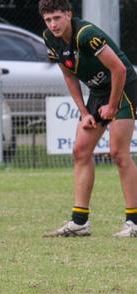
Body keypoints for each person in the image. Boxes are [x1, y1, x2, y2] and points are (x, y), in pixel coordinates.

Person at [40, 0, 137, 238]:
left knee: (118, 153)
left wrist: (113, 106)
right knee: (80, 151)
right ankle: (79, 222)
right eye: (48, 19)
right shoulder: (49, 38)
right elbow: (69, 74)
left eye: (57, 18)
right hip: (98, 93)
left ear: (69, 15)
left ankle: (134, 222)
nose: (53, 24)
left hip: (123, 88)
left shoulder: (86, 34)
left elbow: (120, 70)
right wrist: (84, 112)